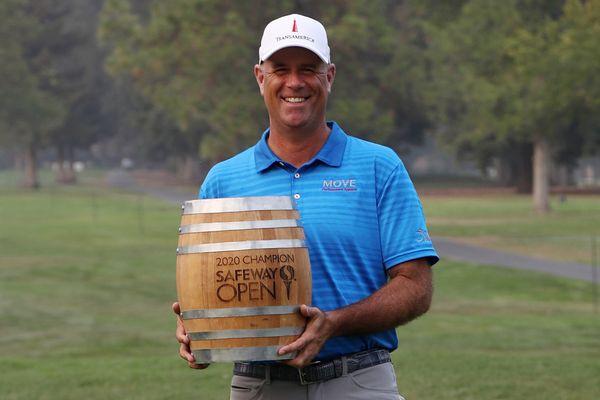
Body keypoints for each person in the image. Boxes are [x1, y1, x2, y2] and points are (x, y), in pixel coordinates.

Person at [173, 13, 438, 400]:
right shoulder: (223, 180)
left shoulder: (379, 167)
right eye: (280, 68)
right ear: (260, 77)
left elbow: (416, 287)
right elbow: (210, 291)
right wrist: (200, 330)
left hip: (358, 380)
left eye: (308, 69)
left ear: (329, 76)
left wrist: (334, 323)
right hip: (259, 386)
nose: (294, 82)